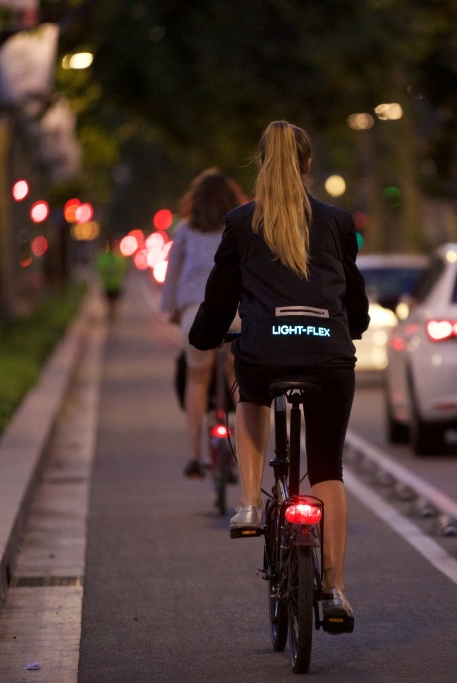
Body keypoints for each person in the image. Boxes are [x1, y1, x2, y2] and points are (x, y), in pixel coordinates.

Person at [189, 121, 369, 625]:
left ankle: (249, 503)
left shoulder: (242, 223)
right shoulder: (336, 221)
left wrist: (205, 336)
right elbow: (352, 294)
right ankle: (334, 591)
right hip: (327, 355)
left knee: (249, 389)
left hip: (265, 353)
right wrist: (351, 327)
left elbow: (220, 296)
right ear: (308, 166)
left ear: (262, 165)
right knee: (327, 468)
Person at [160, 168, 246, 478]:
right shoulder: (241, 224)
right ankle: (247, 451)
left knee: (197, 378)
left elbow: (173, 275)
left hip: (196, 313)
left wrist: (172, 309)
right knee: (239, 378)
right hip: (237, 311)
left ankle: (195, 456)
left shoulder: (185, 230)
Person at [95, 240, 125, 320]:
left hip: (112, 283)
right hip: (111, 283)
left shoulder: (106, 257)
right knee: (111, 301)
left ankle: (112, 313)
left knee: (112, 301)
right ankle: (112, 313)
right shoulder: (116, 257)